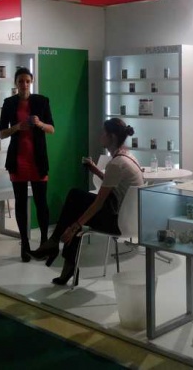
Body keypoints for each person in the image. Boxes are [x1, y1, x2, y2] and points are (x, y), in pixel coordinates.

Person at [30, 118, 144, 285]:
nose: (100, 135)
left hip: (117, 222)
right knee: (76, 200)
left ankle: (55, 247)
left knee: (76, 203)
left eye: (104, 133)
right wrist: (96, 171)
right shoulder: (127, 157)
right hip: (129, 219)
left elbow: (98, 203)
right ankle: (62, 257)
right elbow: (114, 184)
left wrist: (74, 227)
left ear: (111, 137)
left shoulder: (116, 163)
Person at [0, 67, 55, 262]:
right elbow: (1, 133)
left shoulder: (42, 101)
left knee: (41, 203)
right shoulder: (9, 103)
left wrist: (39, 124)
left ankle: (45, 242)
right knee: (20, 204)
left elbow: (52, 129)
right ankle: (25, 244)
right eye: (21, 81)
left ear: (32, 82)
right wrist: (17, 127)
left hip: (38, 160)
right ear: (15, 83)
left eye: (27, 81)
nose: (24, 84)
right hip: (18, 159)